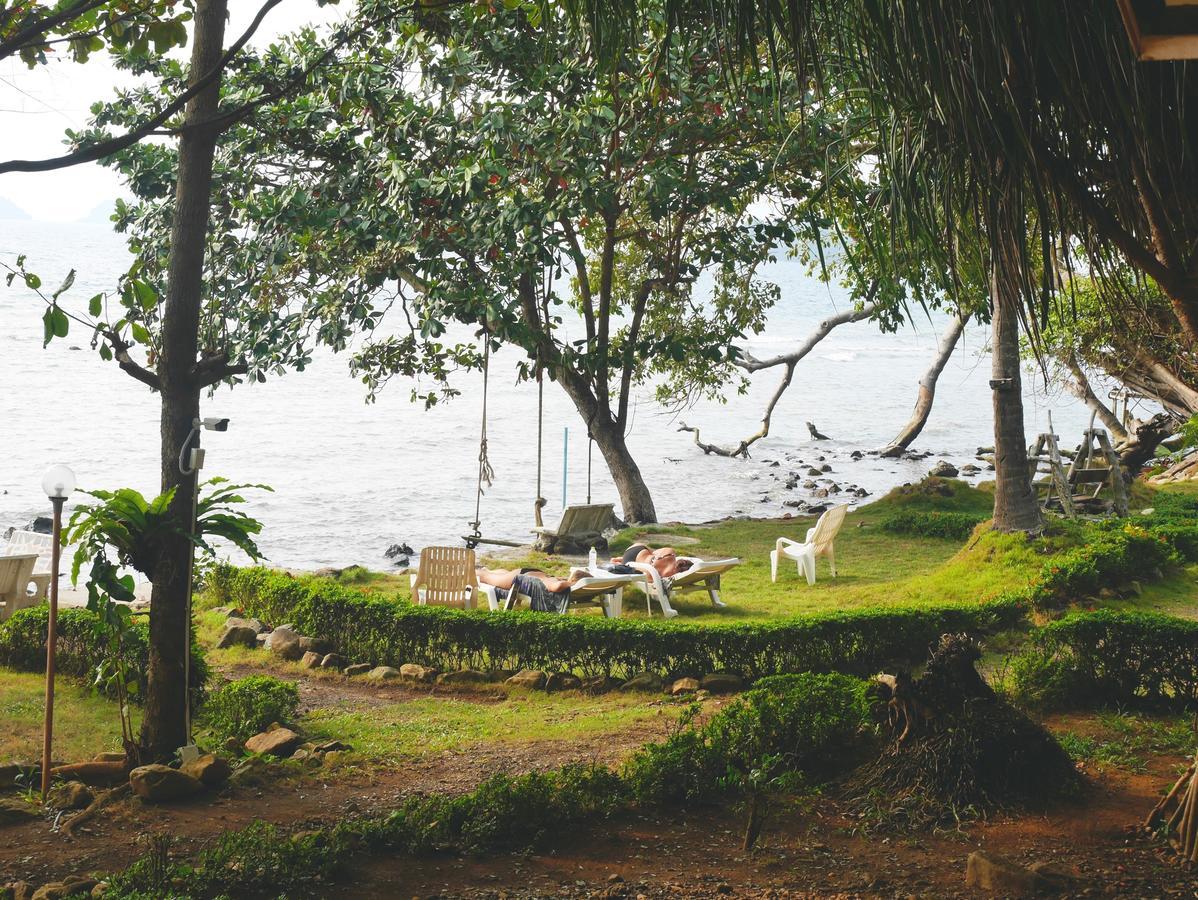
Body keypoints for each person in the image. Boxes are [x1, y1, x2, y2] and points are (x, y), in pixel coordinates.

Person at [476, 566, 587, 613]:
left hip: (529, 574)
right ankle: (468, 570)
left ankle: (488, 570)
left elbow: (558, 585)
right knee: (486, 577)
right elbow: (557, 586)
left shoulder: (559, 582)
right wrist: (572, 583)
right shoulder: (559, 583)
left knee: (498, 575)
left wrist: (571, 582)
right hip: (525, 576)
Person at [611, 544, 693, 579]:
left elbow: (654, 552)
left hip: (638, 548)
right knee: (637, 563)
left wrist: (655, 560)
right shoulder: (667, 575)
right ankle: (619, 561)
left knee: (650, 555)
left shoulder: (670, 553)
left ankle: (620, 559)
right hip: (631, 563)